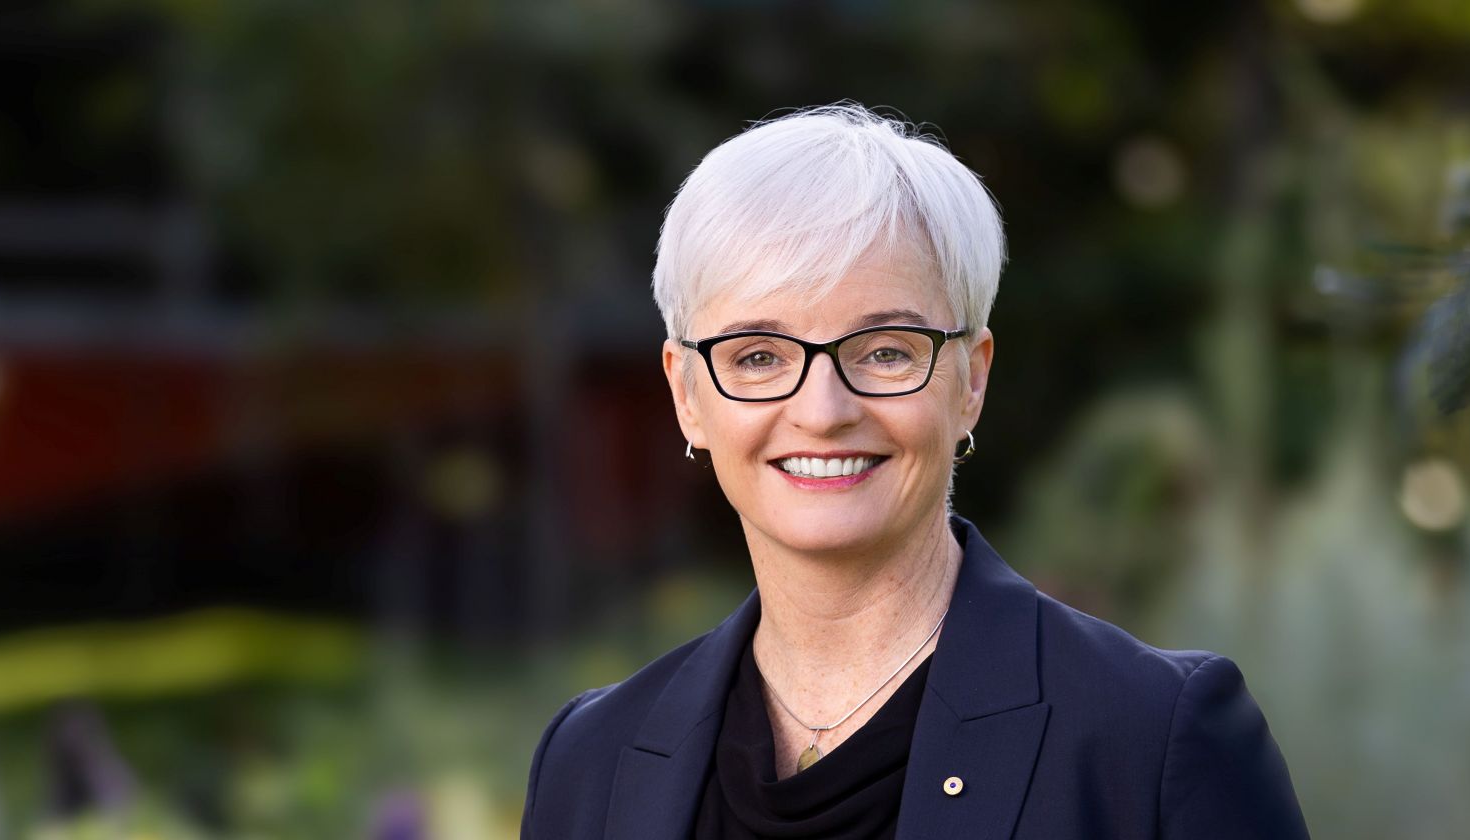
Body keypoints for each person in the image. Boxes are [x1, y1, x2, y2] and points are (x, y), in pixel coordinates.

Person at [520, 103, 1309, 839]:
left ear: (970, 380)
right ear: (687, 394)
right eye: (758, 355)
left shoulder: (1152, 738)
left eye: (885, 351)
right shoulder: (591, 761)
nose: (822, 409)